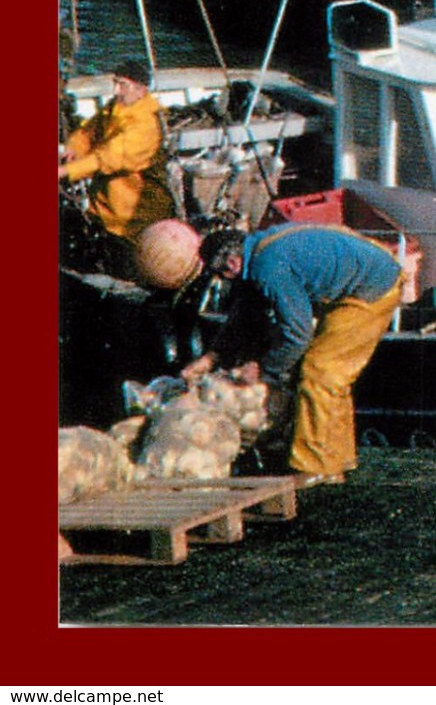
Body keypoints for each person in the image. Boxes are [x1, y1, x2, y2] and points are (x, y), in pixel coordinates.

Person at [180, 224, 404, 483]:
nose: (222, 280)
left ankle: (317, 467)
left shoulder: (269, 269)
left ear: (231, 263)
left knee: (321, 372)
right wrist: (211, 357)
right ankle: (338, 458)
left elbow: (297, 335)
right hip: (366, 271)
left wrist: (264, 370)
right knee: (327, 372)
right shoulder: (257, 251)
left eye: (221, 274)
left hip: (372, 290)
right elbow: (244, 313)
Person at [58, 58, 175, 276]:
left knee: (131, 270)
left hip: (135, 219)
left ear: (141, 90)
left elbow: (107, 159)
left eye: (123, 85)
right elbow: (88, 132)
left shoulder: (145, 124)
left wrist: (65, 172)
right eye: (115, 83)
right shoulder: (115, 108)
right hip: (105, 211)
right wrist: (73, 149)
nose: (117, 90)